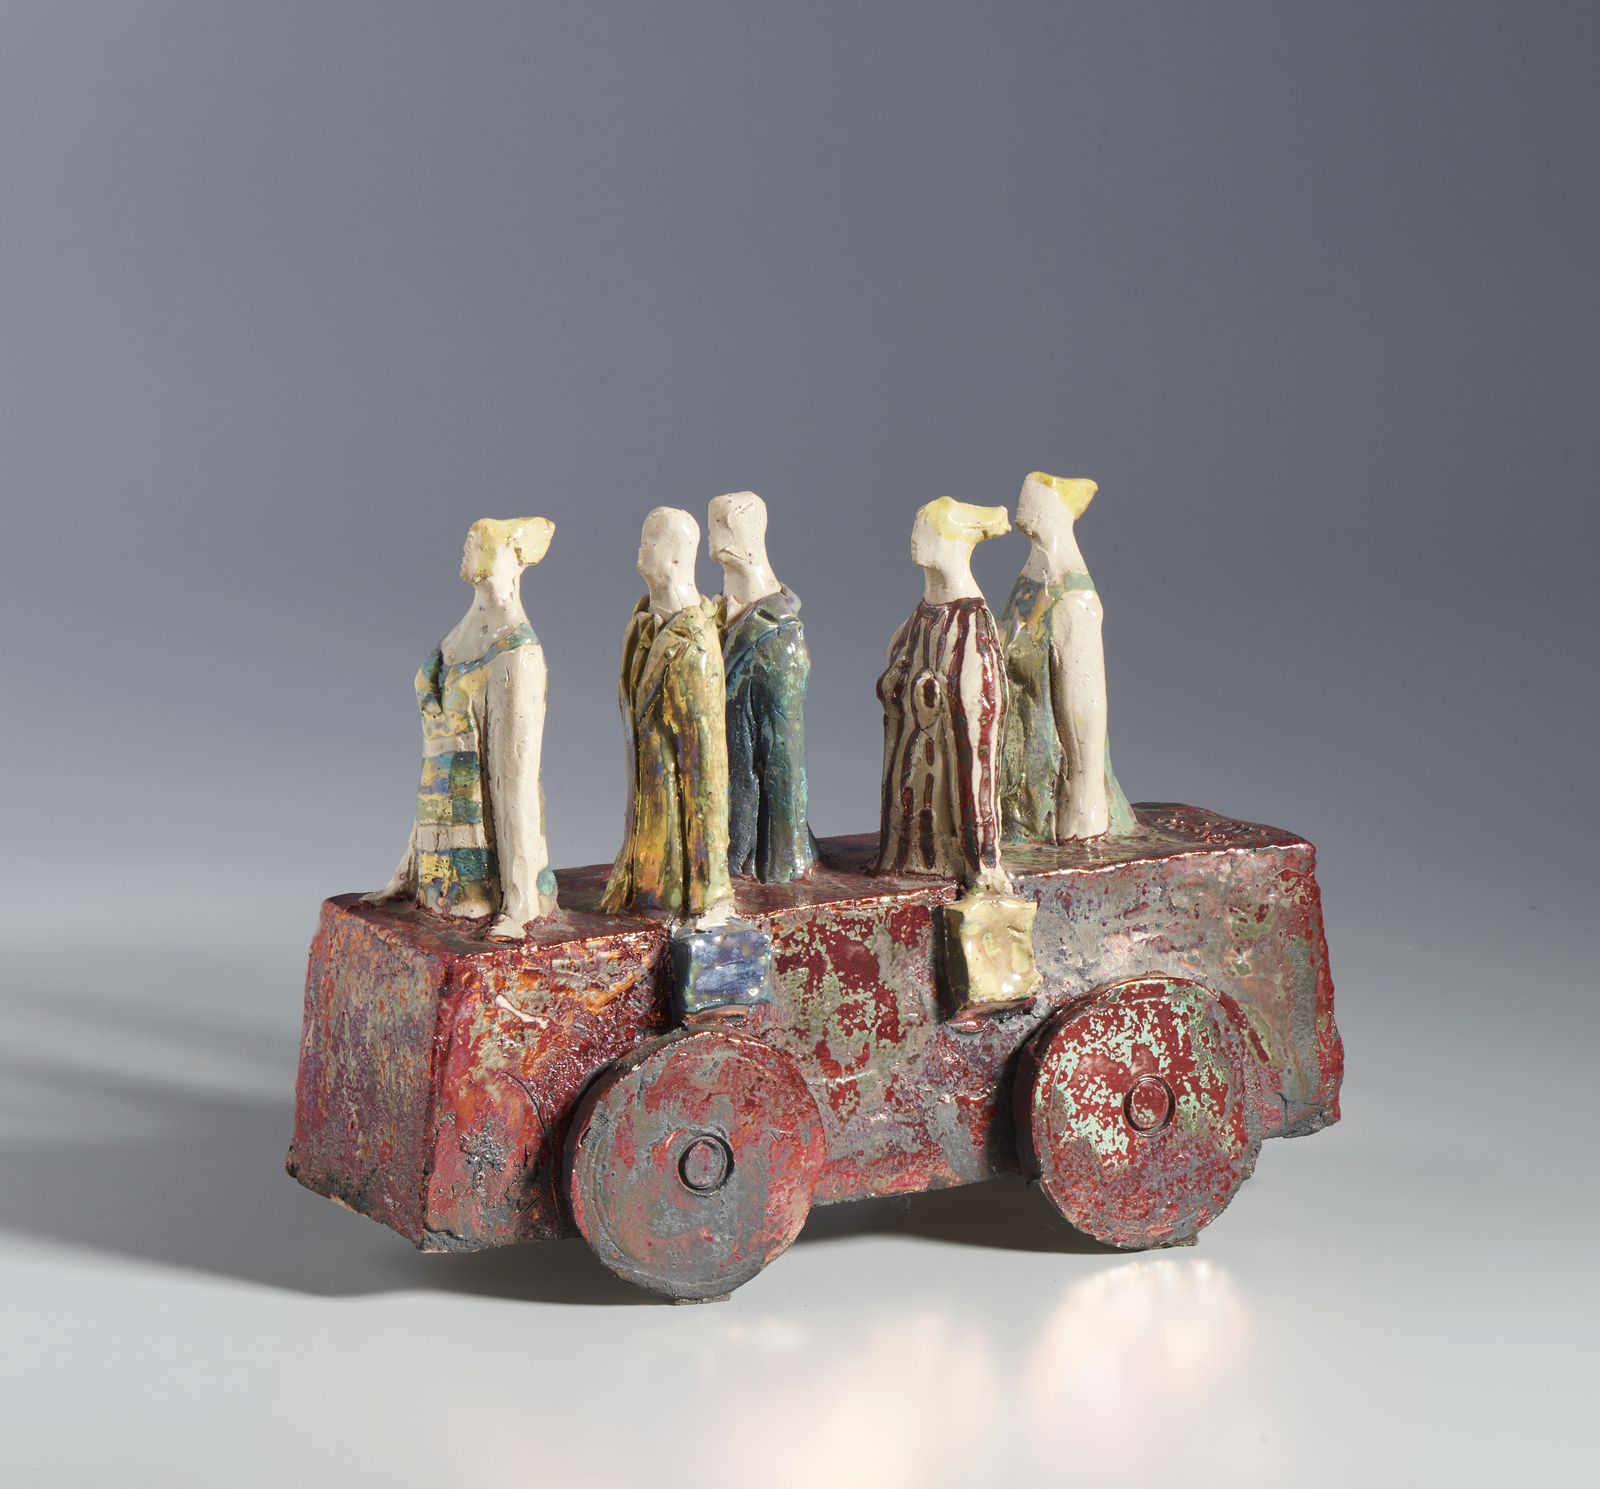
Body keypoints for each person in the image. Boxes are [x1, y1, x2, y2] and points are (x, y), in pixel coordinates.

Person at [367, 516, 558, 939]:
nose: (469, 547)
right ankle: (414, 877)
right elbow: (435, 752)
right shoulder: (461, 632)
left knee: (512, 778)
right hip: (436, 840)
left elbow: (515, 782)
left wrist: (519, 901)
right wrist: (409, 868)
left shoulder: (518, 653)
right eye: (471, 540)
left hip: (476, 865)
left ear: (511, 555)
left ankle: (522, 898)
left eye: (482, 541)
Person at [602, 507, 736, 923]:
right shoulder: (644, 623)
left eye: (651, 540)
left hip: (675, 865)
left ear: (677, 558)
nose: (640, 549)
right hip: (646, 840)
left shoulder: (694, 644)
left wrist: (708, 892)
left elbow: (707, 770)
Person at [874, 496, 1012, 890]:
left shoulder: (969, 629)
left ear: (955, 542)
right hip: (907, 832)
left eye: (930, 527)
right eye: (918, 524)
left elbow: (979, 743)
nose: (917, 535)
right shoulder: (917, 621)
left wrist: (984, 861)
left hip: (946, 836)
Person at [1000, 472, 1135, 841]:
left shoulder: (1074, 600)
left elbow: (1085, 708)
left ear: (1057, 509)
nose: (1024, 499)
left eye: (1037, 494)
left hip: (1051, 805)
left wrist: (1085, 802)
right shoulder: (1032, 581)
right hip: (1019, 792)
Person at [708, 491, 817, 883]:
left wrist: (786, 860)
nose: (711, 539)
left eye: (717, 527)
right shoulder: (718, 613)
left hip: (754, 847)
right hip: (723, 828)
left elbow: (785, 760)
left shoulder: (780, 638)